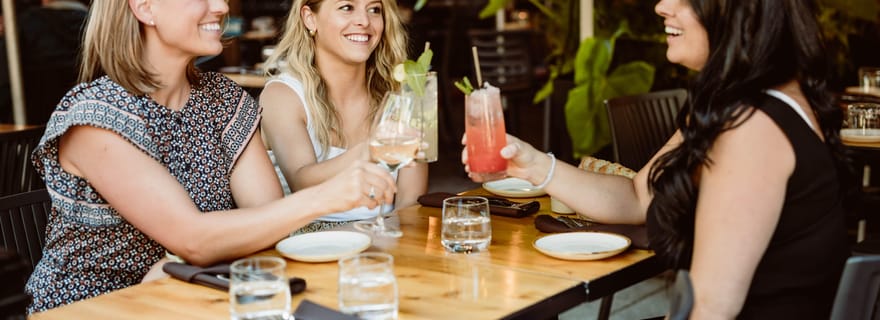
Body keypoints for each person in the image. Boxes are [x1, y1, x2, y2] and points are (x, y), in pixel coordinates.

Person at [464, 0, 852, 318]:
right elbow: (637, 196)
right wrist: (535, 166)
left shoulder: (750, 129)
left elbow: (709, 309)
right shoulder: (744, 104)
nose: (661, 6)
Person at [25, 0, 396, 313]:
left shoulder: (223, 99)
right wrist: (326, 196)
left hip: (193, 300)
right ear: (145, 8)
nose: (220, 7)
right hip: (94, 309)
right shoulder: (95, 116)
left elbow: (270, 221)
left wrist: (175, 265)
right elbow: (195, 240)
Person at [260, 0, 427, 233]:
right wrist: (367, 151)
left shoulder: (401, 95)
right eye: (347, 7)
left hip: (384, 239)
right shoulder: (283, 95)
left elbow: (410, 203)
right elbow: (300, 181)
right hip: (309, 242)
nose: (364, 21)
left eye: (374, 9)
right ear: (310, 18)